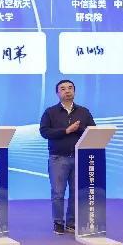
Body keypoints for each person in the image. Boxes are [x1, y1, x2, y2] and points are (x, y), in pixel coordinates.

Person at [40, 79, 96, 235]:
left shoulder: (83, 112)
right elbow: (44, 132)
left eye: (70, 88)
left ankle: (71, 222)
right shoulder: (50, 112)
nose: (67, 91)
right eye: (63, 89)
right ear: (57, 93)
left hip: (79, 158)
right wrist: (66, 131)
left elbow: (92, 131)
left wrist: (78, 129)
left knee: (76, 192)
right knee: (58, 193)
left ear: (74, 91)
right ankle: (58, 222)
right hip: (58, 158)